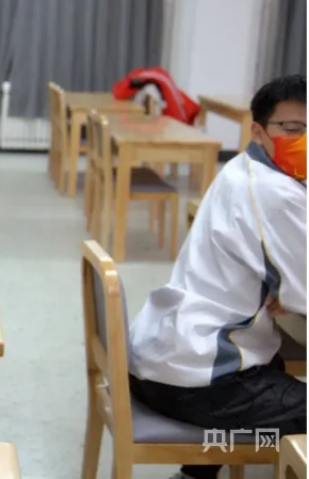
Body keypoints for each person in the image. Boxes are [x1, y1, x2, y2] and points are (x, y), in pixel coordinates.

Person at [127, 74, 307, 479]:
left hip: (163, 357)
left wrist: (286, 286)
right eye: (293, 129)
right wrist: (290, 288)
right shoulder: (275, 191)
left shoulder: (243, 168)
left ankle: (196, 474)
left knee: (274, 361)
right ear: (258, 131)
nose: (304, 140)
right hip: (198, 381)